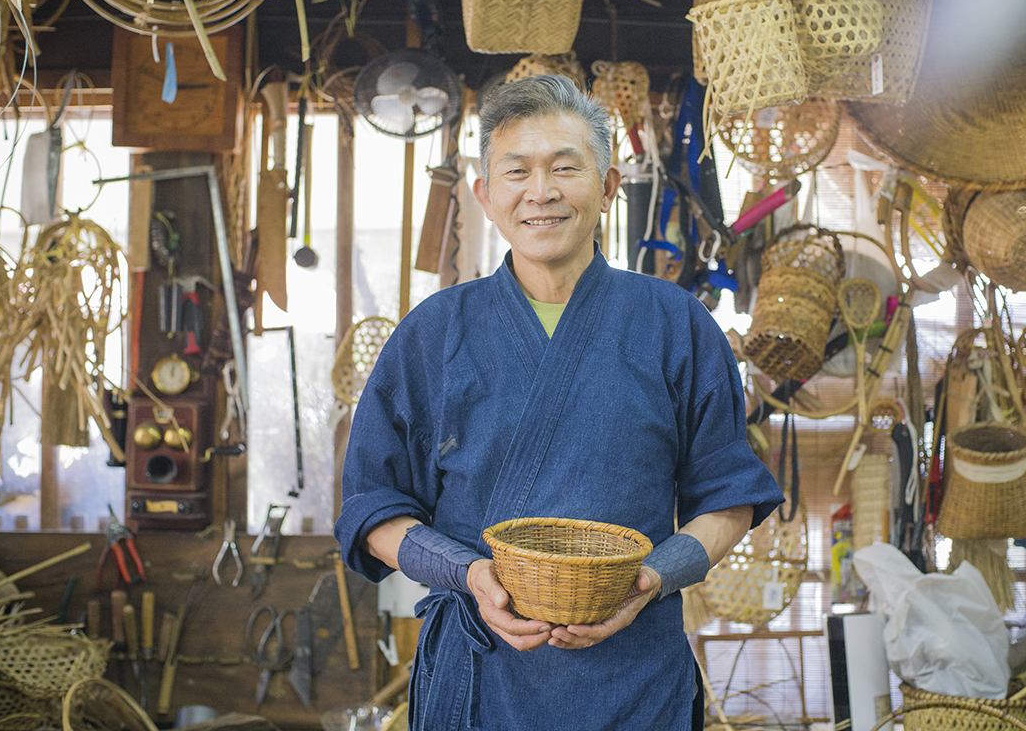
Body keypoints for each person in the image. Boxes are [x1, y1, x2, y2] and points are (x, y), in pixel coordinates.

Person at [335, 74, 783, 731]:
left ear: (607, 187)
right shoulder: (433, 334)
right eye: (516, 172)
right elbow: (372, 510)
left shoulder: (677, 325)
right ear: (485, 196)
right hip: (480, 676)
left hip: (634, 682)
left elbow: (730, 498)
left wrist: (649, 580)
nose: (539, 193)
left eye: (565, 168)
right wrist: (470, 575)